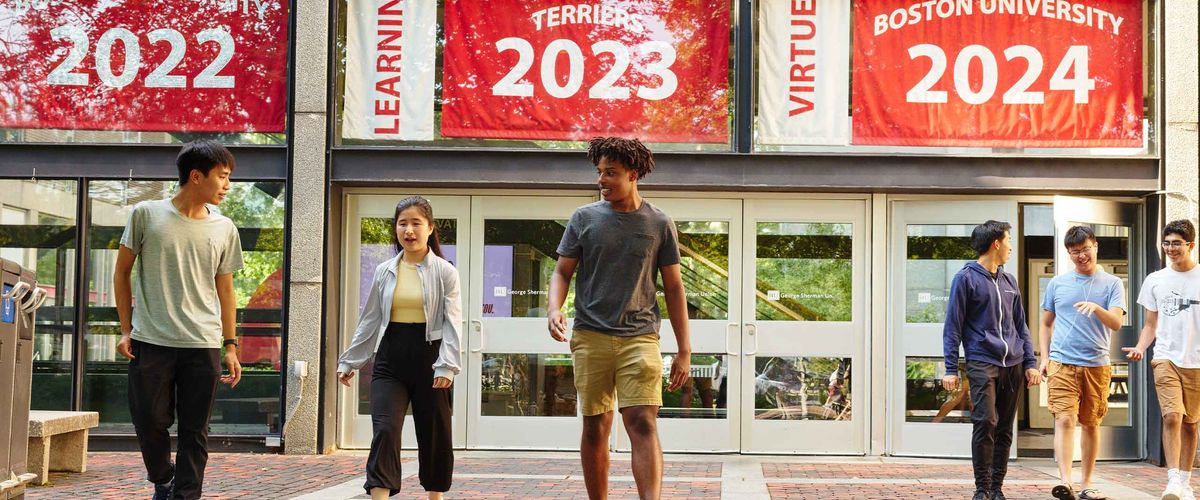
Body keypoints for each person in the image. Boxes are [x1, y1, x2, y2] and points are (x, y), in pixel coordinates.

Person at [548, 137, 692, 500]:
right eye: (600, 172)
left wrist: (684, 350)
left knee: (643, 421)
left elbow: (674, 288)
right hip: (591, 335)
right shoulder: (584, 218)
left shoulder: (659, 223)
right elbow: (562, 272)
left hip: (641, 337)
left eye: (610, 173)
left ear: (633, 173)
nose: (602, 180)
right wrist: (554, 308)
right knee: (596, 426)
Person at [114, 139, 244, 500]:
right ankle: (164, 477)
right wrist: (126, 329)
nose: (227, 186)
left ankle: (186, 495)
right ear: (197, 176)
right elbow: (122, 272)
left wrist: (230, 346)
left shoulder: (224, 228)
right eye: (223, 176)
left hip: (201, 344)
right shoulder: (146, 214)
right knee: (148, 421)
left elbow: (227, 291)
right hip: (150, 340)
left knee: (194, 431)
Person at [336, 196, 462, 500]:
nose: (409, 230)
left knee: (434, 434)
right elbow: (370, 320)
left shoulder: (445, 271)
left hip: (430, 359)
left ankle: (435, 495)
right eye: (402, 223)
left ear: (430, 228)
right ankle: (379, 495)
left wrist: (447, 365)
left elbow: (453, 322)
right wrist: (350, 361)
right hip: (390, 358)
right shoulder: (385, 271)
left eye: (416, 223)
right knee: (385, 430)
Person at [942, 220, 1042, 500]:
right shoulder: (965, 278)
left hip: (1014, 363)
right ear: (996, 243)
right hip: (982, 360)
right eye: (1008, 240)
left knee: (1005, 427)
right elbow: (953, 326)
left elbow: (1021, 325)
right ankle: (982, 487)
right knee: (986, 422)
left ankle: (997, 488)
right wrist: (951, 367)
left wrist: (1031, 363)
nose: (1011, 246)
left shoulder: (1009, 281)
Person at [1039, 226, 1125, 500]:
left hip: (1096, 365)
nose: (1081, 256)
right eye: (1075, 252)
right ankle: (1065, 482)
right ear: (1068, 253)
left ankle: (1087, 482)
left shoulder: (1112, 283)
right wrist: (1045, 356)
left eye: (1085, 249)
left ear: (1095, 246)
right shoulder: (1057, 284)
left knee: (1090, 423)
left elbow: (1116, 322)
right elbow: (1046, 324)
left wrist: (1097, 308)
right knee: (1064, 419)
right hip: (1062, 363)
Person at [1125, 219, 1200, 500]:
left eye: (1176, 243)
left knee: (1191, 423)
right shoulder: (1155, 280)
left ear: (1190, 245)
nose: (1170, 248)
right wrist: (1141, 347)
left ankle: (1185, 481)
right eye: (1166, 243)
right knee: (1172, 416)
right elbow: (1150, 325)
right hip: (1165, 357)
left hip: (1196, 361)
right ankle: (1171, 481)